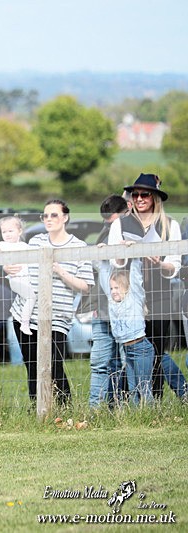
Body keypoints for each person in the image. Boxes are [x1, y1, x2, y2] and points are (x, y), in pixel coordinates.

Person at [107, 173, 187, 401]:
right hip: (129, 297)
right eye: (135, 195)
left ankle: (154, 402)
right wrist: (125, 250)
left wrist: (160, 263)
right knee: (131, 352)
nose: (139, 199)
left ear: (155, 197)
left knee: (157, 351)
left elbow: (174, 265)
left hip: (160, 294)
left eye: (145, 194)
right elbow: (114, 262)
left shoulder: (169, 225)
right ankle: (128, 401)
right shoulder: (121, 224)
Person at [6, 200, 93, 404]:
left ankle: (65, 407)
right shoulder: (36, 241)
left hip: (57, 317)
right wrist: (7, 268)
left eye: (54, 215)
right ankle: (36, 409)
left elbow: (85, 286)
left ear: (65, 217)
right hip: (25, 315)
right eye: (45, 216)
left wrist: (61, 271)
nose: (48, 219)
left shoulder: (78, 246)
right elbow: (19, 265)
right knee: (32, 366)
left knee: (54, 365)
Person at [86, 194, 129, 408]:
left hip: (124, 307)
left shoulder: (131, 232)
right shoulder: (105, 233)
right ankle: (96, 408)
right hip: (103, 309)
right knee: (100, 362)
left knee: (124, 361)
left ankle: (120, 405)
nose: (110, 225)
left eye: (113, 221)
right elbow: (98, 273)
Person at [99, 260, 154, 405]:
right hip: (127, 350)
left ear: (126, 287)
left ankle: (151, 412)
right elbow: (104, 274)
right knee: (133, 389)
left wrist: (135, 257)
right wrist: (105, 259)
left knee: (144, 387)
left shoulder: (134, 297)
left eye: (117, 287)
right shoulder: (112, 302)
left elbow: (136, 276)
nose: (113, 291)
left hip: (141, 349)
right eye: (111, 288)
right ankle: (136, 414)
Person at [0, 216, 36, 336]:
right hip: (16, 279)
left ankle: (26, 320)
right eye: (4, 232)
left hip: (27, 278)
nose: (7, 234)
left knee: (29, 298)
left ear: (20, 231)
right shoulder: (3, 245)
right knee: (31, 297)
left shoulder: (24, 246)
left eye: (10, 231)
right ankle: (24, 324)